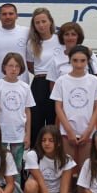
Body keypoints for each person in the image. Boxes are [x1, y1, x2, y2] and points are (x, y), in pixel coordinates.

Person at [50, 45, 97, 193]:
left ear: (88, 61)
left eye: (82, 61)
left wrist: (89, 130)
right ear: (70, 60)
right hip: (66, 133)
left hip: (87, 133)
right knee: (67, 170)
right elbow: (58, 107)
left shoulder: (94, 81)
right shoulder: (62, 81)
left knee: (85, 171)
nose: (79, 64)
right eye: (75, 60)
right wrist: (69, 130)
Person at [0, 53, 35, 176]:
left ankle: (15, 188)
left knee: (16, 166)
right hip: (1, 134)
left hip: (18, 134)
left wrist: (28, 135)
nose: (13, 69)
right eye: (10, 66)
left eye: (17, 66)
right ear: (4, 67)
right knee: (0, 165)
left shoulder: (25, 87)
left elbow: (27, 111)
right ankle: (0, 187)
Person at [26, 8, 61, 147]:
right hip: (39, 83)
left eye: (44, 21)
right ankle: (35, 154)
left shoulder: (59, 40)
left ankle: (55, 153)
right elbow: (30, 65)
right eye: (37, 22)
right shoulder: (32, 43)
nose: (41, 25)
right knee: (36, 121)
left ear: (50, 21)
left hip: (56, 83)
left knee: (54, 119)